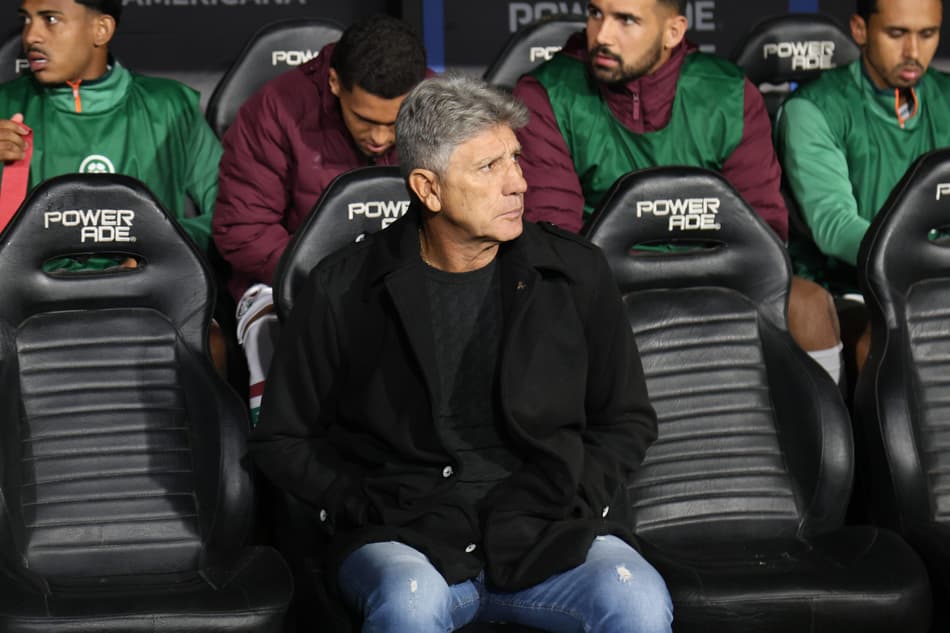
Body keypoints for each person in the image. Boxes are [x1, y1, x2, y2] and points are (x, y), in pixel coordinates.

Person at [249, 74, 673, 633]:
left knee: (638, 599)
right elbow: (283, 439)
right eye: (489, 168)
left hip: (548, 530)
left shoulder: (575, 273)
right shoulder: (343, 288)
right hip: (407, 536)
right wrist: (362, 505)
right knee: (409, 602)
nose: (518, 183)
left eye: (515, 160)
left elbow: (627, 419)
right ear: (428, 188)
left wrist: (576, 490)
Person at [512, 0, 844, 385]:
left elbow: (763, 233)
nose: (602, 35)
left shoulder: (728, 92)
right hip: (603, 285)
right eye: (595, 13)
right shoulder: (545, 93)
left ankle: (820, 440)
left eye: (626, 20)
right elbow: (559, 243)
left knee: (808, 305)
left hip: (716, 277)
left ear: (673, 32)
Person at [212, 14, 428, 421]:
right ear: (334, 84)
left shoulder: (439, 107)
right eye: (365, 119)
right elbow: (244, 233)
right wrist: (338, 282)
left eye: (393, 122)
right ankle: (281, 460)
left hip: (408, 273)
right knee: (268, 331)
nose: (380, 138)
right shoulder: (277, 109)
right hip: (285, 280)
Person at [774, 0, 948, 369]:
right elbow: (835, 227)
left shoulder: (946, 96)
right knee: (891, 339)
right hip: (849, 291)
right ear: (859, 30)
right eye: (897, 34)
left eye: (927, 34)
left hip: (937, 283)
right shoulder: (812, 109)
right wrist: (929, 263)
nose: (913, 52)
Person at [0, 0, 221, 254]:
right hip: (27, 290)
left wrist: (163, 249)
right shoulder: (5, 105)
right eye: (26, 20)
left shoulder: (170, 106)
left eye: (50, 20)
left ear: (101, 29)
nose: (30, 36)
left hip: (151, 287)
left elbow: (229, 211)